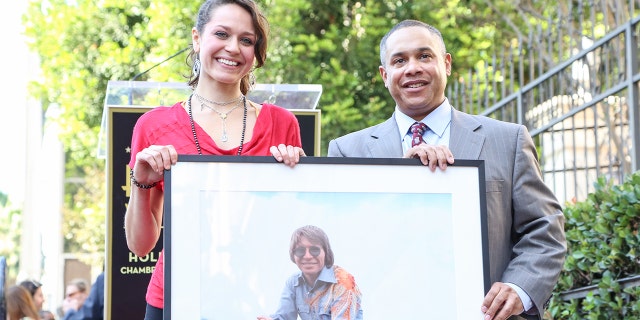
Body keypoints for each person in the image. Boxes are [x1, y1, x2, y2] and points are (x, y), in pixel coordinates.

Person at [327, 20, 567, 320]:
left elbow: (545, 230)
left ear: (447, 63)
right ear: (385, 75)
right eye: (400, 60)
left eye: (424, 56)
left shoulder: (508, 140)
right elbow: (344, 245)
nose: (412, 68)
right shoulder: (347, 151)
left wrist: (519, 289)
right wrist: (399, 179)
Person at [124, 0, 305, 319]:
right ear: (197, 38)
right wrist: (141, 183)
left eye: (246, 40)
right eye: (222, 34)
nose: (233, 48)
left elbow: (293, 228)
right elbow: (141, 247)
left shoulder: (282, 124)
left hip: (257, 297)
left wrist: (297, 177)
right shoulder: (153, 126)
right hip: (176, 297)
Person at [257, 225, 363, 320]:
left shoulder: (343, 283)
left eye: (314, 250)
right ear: (293, 255)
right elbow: (284, 317)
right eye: (300, 251)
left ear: (326, 253)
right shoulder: (293, 282)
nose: (307, 256)